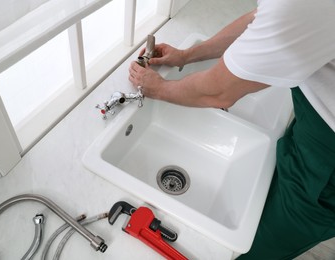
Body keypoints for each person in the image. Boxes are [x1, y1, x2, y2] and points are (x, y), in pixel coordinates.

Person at [128, 0, 335, 259]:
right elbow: (261, 19)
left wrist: (158, 89)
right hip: (318, 127)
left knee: (256, 246)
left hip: (327, 167)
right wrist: (187, 55)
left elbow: (219, 91)